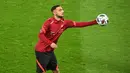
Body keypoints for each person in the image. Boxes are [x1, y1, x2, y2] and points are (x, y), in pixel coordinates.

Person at [35, 5, 108, 73]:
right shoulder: (49, 23)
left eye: (62, 9)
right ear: (54, 12)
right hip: (41, 51)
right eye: (60, 10)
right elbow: (40, 35)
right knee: (41, 71)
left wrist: (95, 21)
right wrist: (50, 43)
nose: (63, 11)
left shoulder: (65, 23)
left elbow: (80, 24)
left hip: (50, 51)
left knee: (55, 69)